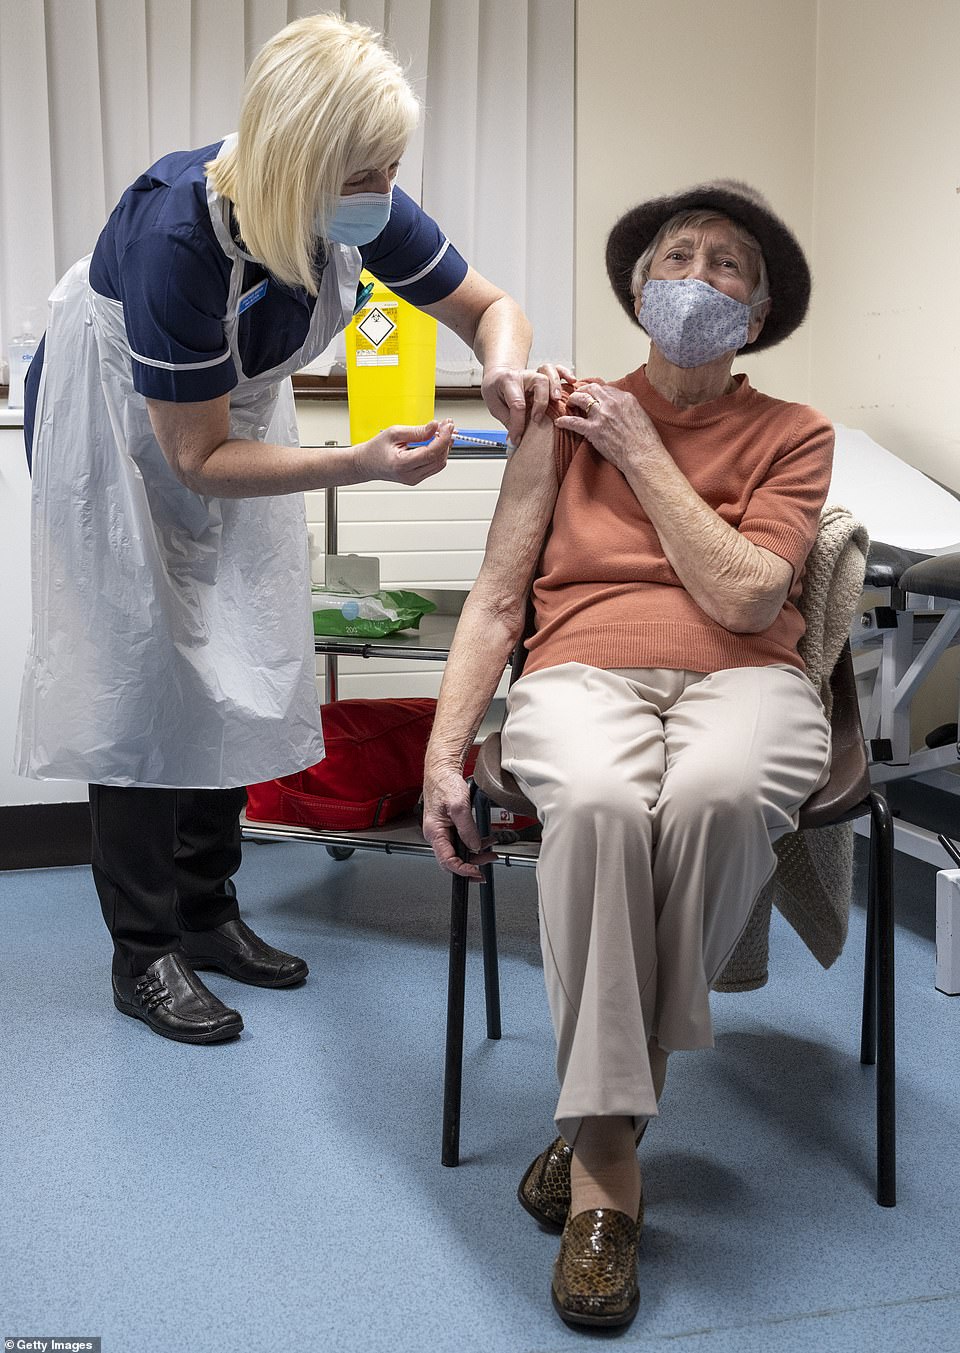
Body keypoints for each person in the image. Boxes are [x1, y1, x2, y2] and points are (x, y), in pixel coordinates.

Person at [16, 12, 551, 1046]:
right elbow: (195, 459)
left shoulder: (357, 201)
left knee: (244, 647)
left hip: (224, 419)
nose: (386, 187)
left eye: (392, 165)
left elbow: (494, 307)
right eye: (369, 167)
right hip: (118, 426)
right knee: (140, 672)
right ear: (302, 161)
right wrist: (356, 463)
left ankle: (211, 912)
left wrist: (501, 364)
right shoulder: (179, 234)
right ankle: (145, 950)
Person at [422, 180, 835, 1329]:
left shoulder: (792, 432)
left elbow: (752, 598)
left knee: (723, 788)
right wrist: (442, 757)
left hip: (746, 679)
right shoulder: (560, 414)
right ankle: (612, 1165)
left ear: (754, 316)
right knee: (597, 803)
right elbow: (500, 603)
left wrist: (646, 452)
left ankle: (595, 1123)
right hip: (580, 672)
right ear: (639, 287)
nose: (695, 280)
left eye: (726, 268)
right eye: (676, 258)